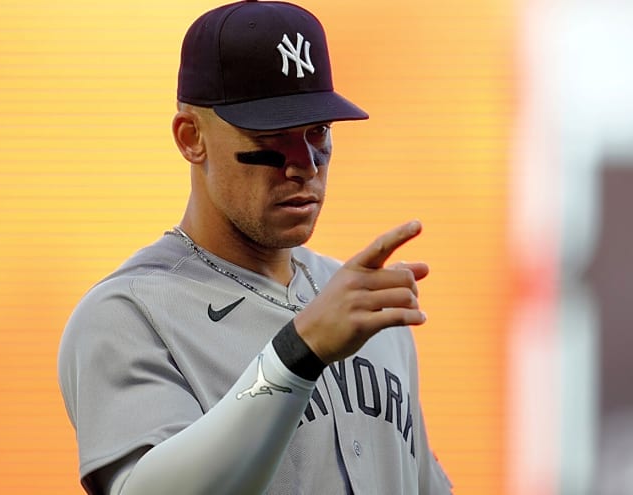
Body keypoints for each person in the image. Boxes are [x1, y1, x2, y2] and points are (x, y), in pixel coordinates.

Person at [58, 1, 454, 493]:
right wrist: (297, 352)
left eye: (317, 131)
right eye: (273, 135)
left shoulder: (360, 302)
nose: (304, 164)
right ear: (191, 138)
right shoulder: (128, 314)